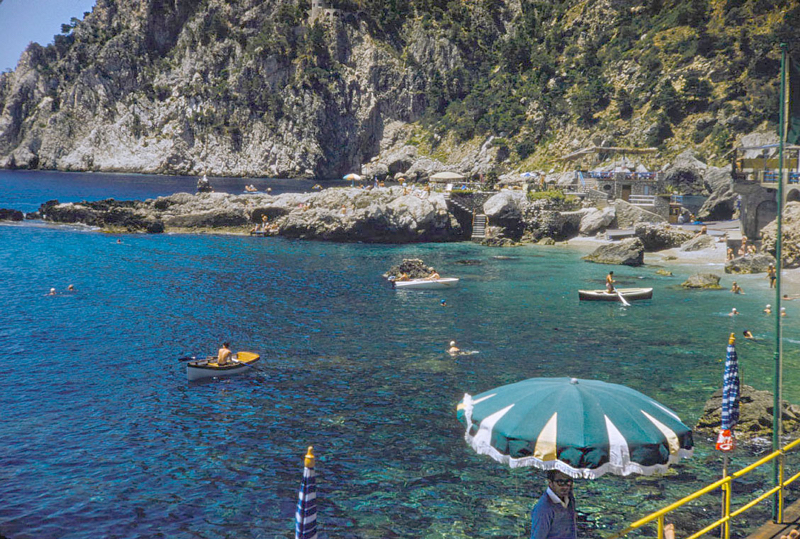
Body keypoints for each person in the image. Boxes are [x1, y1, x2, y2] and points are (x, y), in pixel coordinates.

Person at [530, 470, 577, 539]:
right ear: (550, 482)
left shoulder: (569, 498)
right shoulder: (544, 508)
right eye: (560, 482)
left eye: (568, 482)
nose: (565, 487)